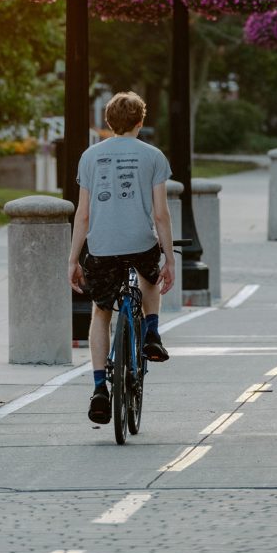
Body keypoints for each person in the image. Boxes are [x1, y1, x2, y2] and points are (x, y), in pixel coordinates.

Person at [68, 91, 175, 425]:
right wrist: (169, 258)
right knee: (150, 277)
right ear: (140, 123)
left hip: (101, 247)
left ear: (108, 122)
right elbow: (161, 214)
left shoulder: (90, 157)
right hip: (141, 242)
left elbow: (83, 215)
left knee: (101, 312)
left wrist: (73, 260)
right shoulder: (153, 156)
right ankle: (152, 334)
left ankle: (100, 387)